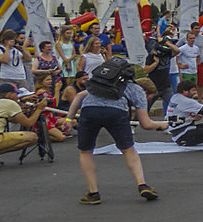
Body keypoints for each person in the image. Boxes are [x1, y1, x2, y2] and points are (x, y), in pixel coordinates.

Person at [66, 72, 166, 204]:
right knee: (128, 150)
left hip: (89, 110)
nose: (147, 100)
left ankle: (93, 193)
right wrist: (162, 125)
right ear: (145, 91)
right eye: (148, 97)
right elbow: (146, 124)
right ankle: (142, 185)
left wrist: (68, 119)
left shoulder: (102, 83)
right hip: (115, 112)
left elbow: (79, 96)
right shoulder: (137, 90)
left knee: (86, 151)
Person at [0, 82, 47, 169]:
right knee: (32, 137)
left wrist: (23, 112)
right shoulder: (9, 103)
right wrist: (39, 109)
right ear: (9, 95)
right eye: (16, 94)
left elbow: (12, 120)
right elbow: (28, 123)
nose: (17, 97)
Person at [143, 30, 180, 115]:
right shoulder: (151, 57)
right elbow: (145, 70)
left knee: (173, 105)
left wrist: (167, 43)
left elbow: (177, 51)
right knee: (145, 108)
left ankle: (174, 120)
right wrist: (155, 63)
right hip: (153, 86)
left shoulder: (167, 54)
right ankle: (136, 122)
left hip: (166, 86)